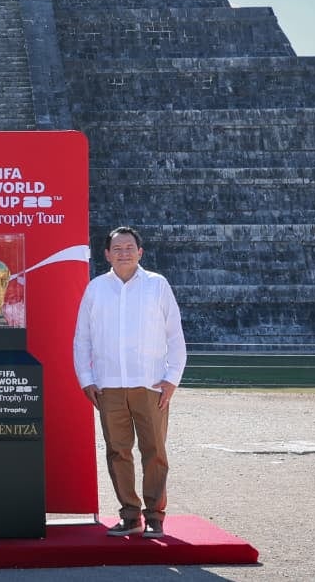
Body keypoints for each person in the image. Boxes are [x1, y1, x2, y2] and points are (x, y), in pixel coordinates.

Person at [72, 226, 186, 539]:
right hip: (109, 386)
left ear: (140, 252)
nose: (124, 253)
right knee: (117, 452)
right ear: (106, 254)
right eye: (117, 248)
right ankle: (130, 515)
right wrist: (87, 379)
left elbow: (175, 334)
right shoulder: (96, 288)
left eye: (129, 247)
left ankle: (155, 516)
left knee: (154, 451)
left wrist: (172, 379)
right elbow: (82, 338)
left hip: (150, 385)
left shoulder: (156, 285)